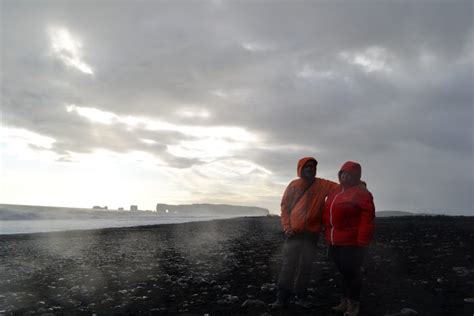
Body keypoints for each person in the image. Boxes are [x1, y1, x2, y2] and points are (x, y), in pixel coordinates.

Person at [271, 157, 339, 308]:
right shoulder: (294, 185)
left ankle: (301, 296)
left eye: (312, 167)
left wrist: (358, 186)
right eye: (306, 166)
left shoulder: (322, 184)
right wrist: (287, 227)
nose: (310, 169)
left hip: (312, 235)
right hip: (294, 234)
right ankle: (281, 298)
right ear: (300, 168)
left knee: (306, 267)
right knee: (288, 266)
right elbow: (285, 208)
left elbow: (340, 188)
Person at [322, 161, 375, 316]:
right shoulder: (334, 191)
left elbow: (368, 219)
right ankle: (344, 300)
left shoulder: (362, 193)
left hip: (352, 242)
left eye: (349, 174)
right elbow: (328, 214)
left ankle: (354, 304)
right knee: (343, 273)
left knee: (351, 273)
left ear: (356, 177)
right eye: (343, 173)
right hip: (334, 240)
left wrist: (362, 241)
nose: (345, 177)